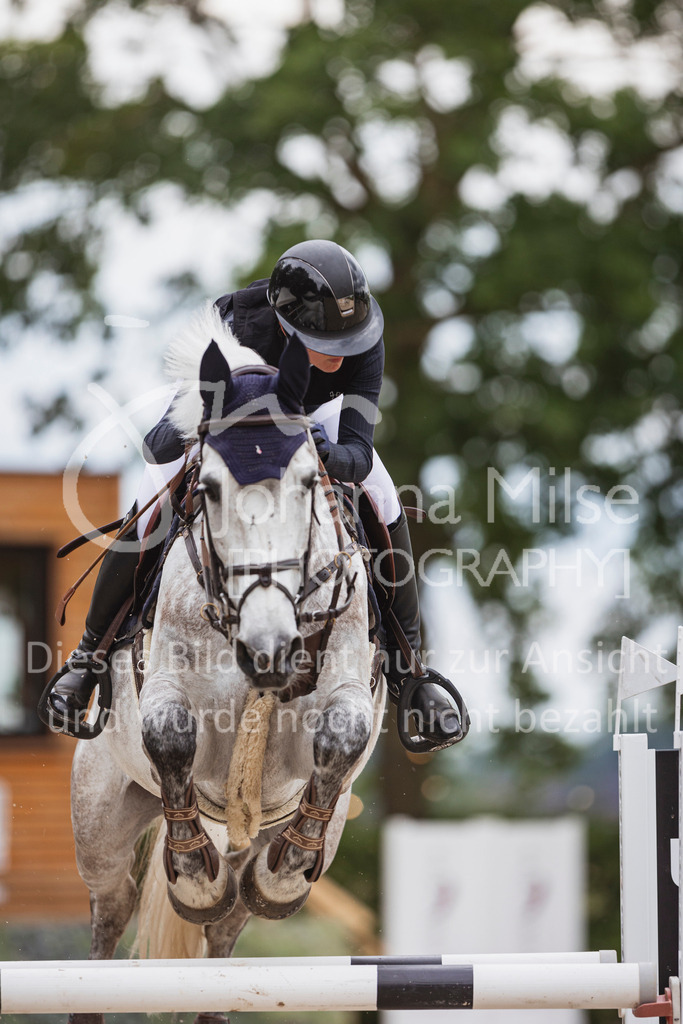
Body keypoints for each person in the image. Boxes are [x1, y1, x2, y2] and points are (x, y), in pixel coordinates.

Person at [48, 240, 462, 749]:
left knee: (381, 487)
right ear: (285, 324)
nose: (341, 357)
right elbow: (164, 437)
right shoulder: (234, 322)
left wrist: (321, 453)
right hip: (231, 422)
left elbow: (356, 447)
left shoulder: (363, 337)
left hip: (312, 426)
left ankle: (411, 673)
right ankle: (88, 660)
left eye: (348, 343)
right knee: (155, 485)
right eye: (325, 345)